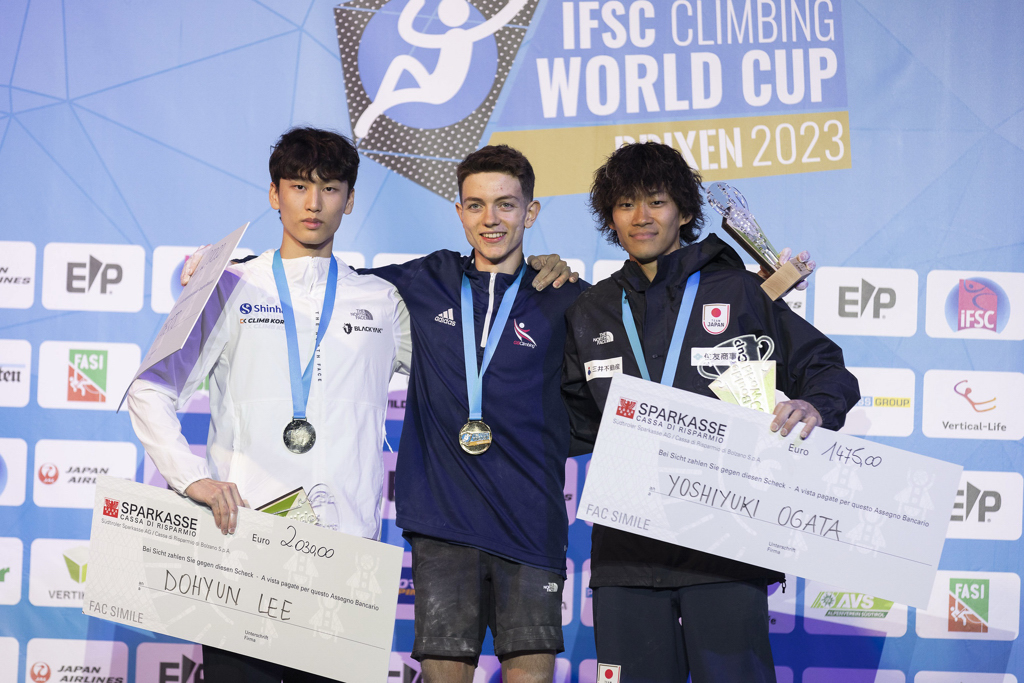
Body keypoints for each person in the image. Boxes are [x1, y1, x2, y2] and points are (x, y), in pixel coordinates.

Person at [561, 142, 860, 683]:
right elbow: (569, 419)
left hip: (724, 548)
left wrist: (812, 404)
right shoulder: (592, 308)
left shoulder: (740, 290)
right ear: (610, 217)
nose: (641, 217)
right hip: (625, 555)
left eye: (656, 201)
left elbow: (828, 369)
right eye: (626, 204)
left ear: (686, 212)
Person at [127, 127, 413, 682]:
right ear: (273, 194)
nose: (313, 203)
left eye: (329, 188)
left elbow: (457, 375)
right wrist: (190, 480)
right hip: (244, 547)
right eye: (298, 186)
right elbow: (150, 388)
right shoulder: (227, 287)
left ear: (350, 200)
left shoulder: (382, 300)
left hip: (345, 562)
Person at [367, 145, 587, 683]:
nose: (491, 219)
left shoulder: (565, 295)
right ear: (460, 211)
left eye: (507, 205)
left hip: (531, 522)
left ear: (530, 213)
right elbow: (323, 286)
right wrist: (224, 272)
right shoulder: (425, 281)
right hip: (443, 525)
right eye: (476, 205)